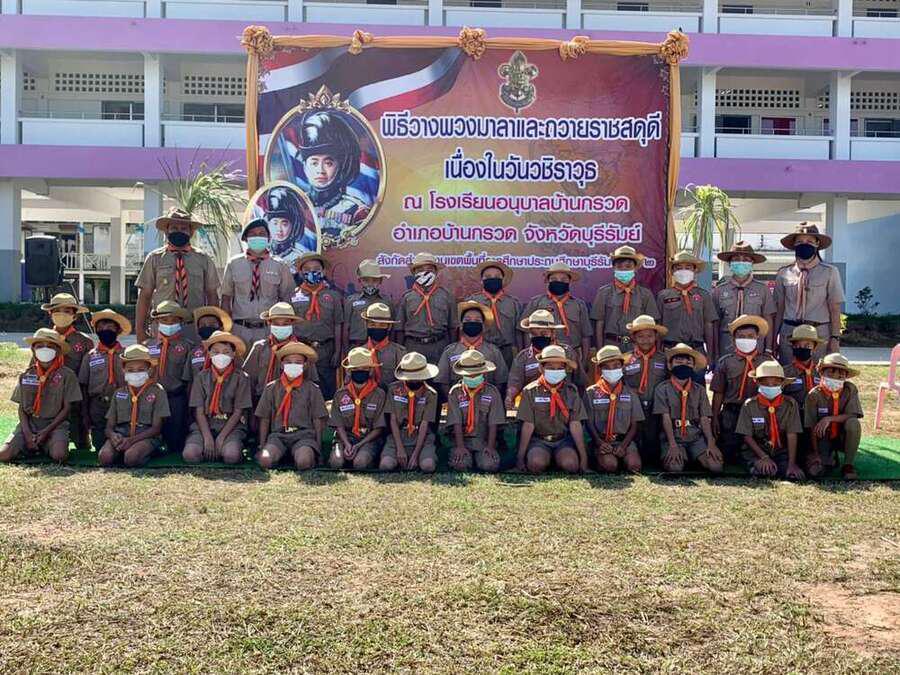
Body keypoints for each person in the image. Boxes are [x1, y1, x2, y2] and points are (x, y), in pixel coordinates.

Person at [134, 208, 219, 343]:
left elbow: (212, 295)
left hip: (193, 328)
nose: (179, 231)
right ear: (167, 231)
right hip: (163, 326)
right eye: (174, 228)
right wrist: (140, 330)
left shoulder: (203, 259)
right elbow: (145, 296)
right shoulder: (155, 258)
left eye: (183, 228)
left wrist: (213, 328)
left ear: (191, 232)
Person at [0, 328, 82, 464]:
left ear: (58, 351)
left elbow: (67, 409)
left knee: (59, 455)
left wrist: (46, 432)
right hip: (30, 424)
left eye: (50, 346)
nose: (45, 349)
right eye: (40, 346)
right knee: (3, 455)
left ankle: (44, 446)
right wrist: (27, 433)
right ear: (33, 350)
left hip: (55, 425)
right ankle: (31, 445)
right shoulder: (26, 375)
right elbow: (21, 408)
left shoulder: (67, 375)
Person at [294, 110, 370, 241]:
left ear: (340, 165)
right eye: (314, 163)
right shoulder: (296, 206)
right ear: (304, 165)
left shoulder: (357, 212)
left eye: (328, 163)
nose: (320, 170)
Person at [774, 223, 844, 364]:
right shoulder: (784, 273)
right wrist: (773, 338)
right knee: (788, 373)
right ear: (794, 245)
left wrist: (835, 338)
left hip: (818, 333)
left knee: (816, 373)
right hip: (789, 333)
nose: (804, 245)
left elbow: (835, 308)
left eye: (809, 241)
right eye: (799, 241)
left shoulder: (829, 272)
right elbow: (779, 308)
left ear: (817, 244)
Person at [515, 344, 589, 475]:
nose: (555, 371)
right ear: (541, 368)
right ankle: (545, 458)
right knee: (535, 464)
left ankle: (559, 458)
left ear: (565, 369)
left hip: (563, 440)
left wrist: (583, 458)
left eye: (559, 368)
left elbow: (575, 424)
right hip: (539, 440)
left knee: (571, 465)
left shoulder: (571, 391)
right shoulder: (530, 391)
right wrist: (520, 458)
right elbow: (528, 425)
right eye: (550, 368)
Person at [221, 218, 295, 347]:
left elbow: (286, 299)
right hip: (239, 329)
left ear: (268, 238)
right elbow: (226, 298)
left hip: (268, 330)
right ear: (245, 238)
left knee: (267, 360)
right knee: (239, 360)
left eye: (262, 234)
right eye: (253, 234)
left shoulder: (280, 265)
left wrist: (283, 331)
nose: (258, 237)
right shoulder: (234, 264)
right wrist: (226, 330)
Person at [254, 341, 327, 471]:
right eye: (288, 362)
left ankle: (301, 454)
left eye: (298, 362)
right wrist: (262, 445)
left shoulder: (312, 389)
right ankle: (281, 454)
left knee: (304, 462)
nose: (293, 365)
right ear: (282, 364)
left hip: (303, 436)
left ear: (305, 365)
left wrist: (318, 448)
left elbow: (318, 420)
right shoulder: (271, 388)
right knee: (265, 460)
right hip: (278, 436)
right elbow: (264, 418)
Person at [184, 331, 252, 465]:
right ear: (209, 354)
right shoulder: (201, 377)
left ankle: (226, 448)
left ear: (233, 354)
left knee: (231, 456)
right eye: (216, 352)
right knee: (190, 455)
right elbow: (199, 411)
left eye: (226, 352)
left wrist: (221, 438)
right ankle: (207, 449)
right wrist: (208, 438)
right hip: (205, 426)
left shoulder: (241, 378)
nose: (221, 356)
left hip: (231, 427)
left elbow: (238, 412)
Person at [653, 343, 722, 474]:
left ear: (694, 367)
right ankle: (683, 457)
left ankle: (694, 457)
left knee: (716, 467)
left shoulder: (700, 390)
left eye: (688, 362)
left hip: (695, 436)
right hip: (673, 436)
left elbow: (704, 418)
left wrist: (711, 443)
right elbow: (665, 418)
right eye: (679, 362)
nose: (684, 365)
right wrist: (672, 445)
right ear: (670, 365)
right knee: (675, 468)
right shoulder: (662, 389)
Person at [97, 344, 170, 468]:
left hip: (146, 436)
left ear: (149, 369)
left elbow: (156, 428)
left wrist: (132, 440)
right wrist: (113, 436)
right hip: (122, 435)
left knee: (131, 458)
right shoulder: (119, 393)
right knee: (104, 457)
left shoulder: (158, 391)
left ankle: (151, 452)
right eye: (130, 370)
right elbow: (109, 427)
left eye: (141, 369)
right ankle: (123, 452)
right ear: (123, 370)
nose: (136, 373)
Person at [711, 315, 770, 462]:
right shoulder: (726, 362)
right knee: (728, 454)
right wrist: (715, 417)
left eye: (750, 336)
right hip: (732, 412)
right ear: (734, 339)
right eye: (741, 336)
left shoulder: (767, 362)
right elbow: (718, 392)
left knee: (758, 449)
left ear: (757, 337)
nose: (746, 340)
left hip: (758, 412)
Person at [736, 360, 804, 479]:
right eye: (766, 384)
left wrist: (791, 464)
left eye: (775, 384)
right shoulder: (749, 405)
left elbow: (792, 434)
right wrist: (763, 457)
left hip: (780, 452)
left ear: (782, 384)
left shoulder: (790, 404)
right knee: (766, 470)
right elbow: (746, 436)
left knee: (792, 475)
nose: (771, 387)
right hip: (756, 451)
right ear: (758, 383)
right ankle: (755, 467)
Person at [42, 292, 93, 449]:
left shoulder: (84, 341)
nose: (62, 314)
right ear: (50, 313)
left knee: (82, 444)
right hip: (49, 395)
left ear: (75, 316)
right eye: (57, 310)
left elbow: (88, 375)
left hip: (75, 396)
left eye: (67, 311)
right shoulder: (42, 338)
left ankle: (81, 435)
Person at [290, 252, 344, 401]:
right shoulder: (293, 296)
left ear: (323, 271)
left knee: (327, 389)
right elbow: (289, 324)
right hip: (301, 349)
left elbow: (338, 325)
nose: (311, 272)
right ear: (300, 272)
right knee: (301, 388)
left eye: (316, 269)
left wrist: (338, 351)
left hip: (325, 350)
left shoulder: (333, 296)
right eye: (307, 269)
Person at [585, 346, 645, 474]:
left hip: (624, 440)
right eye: (606, 367)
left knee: (634, 466)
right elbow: (589, 423)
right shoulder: (590, 393)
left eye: (616, 365)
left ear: (622, 367)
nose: (612, 370)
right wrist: (599, 442)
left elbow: (635, 424)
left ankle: (620, 457)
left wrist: (623, 445)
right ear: (600, 369)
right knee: (610, 465)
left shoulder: (631, 393)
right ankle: (599, 459)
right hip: (601, 440)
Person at [506, 309, 583, 409]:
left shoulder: (568, 353)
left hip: (565, 405)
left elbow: (580, 381)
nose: (538, 337)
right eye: (534, 334)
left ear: (553, 333)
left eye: (543, 334)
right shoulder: (522, 357)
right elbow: (514, 383)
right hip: (534, 407)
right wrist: (510, 397)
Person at [804, 353, 863, 480]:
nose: (835, 377)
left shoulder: (850, 389)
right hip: (822, 437)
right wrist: (816, 453)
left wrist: (829, 419)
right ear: (821, 373)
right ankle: (828, 456)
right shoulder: (814, 395)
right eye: (830, 373)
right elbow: (811, 426)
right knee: (817, 471)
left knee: (853, 422)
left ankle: (848, 465)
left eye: (841, 374)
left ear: (846, 376)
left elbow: (853, 414)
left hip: (842, 435)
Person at [145, 301, 194, 455]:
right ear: (157, 322)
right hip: (151, 399)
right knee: (149, 435)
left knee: (175, 443)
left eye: (174, 321)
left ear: (180, 323)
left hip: (175, 398)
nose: (169, 324)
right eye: (164, 320)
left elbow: (189, 379)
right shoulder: (147, 346)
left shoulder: (187, 347)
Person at [79, 309, 130, 452]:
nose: (104, 330)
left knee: (122, 441)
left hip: (123, 403)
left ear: (118, 330)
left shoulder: (127, 355)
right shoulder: (90, 356)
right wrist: (85, 414)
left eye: (109, 327)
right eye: (100, 327)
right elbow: (84, 386)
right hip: (98, 405)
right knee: (100, 444)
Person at [445, 349, 505, 473]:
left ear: (483, 372)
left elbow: (493, 423)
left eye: (475, 374)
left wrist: (490, 446)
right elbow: (456, 422)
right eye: (468, 374)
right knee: (461, 465)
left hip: (483, 440)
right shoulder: (455, 392)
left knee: (489, 465)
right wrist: (460, 447)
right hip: (462, 440)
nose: (472, 377)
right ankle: (465, 456)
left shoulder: (492, 392)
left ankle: (481, 457)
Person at [328, 347, 387, 471]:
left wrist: (359, 445)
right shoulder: (340, 394)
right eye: (355, 369)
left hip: (368, 439)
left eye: (364, 369)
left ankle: (367, 457)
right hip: (345, 438)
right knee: (336, 462)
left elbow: (379, 428)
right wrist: (347, 444)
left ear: (370, 370)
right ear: (349, 371)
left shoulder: (379, 394)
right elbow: (338, 425)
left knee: (360, 463)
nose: (360, 372)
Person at [521, 262, 592, 364]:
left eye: (563, 280)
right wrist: (529, 358)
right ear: (548, 281)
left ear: (569, 281)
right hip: (541, 355)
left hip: (571, 355)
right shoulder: (536, 303)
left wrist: (584, 361)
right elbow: (526, 332)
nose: (559, 282)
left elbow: (586, 335)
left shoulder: (579, 305)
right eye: (554, 279)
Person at [435, 302, 509, 400]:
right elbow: (443, 381)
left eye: (477, 320)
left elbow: (500, 382)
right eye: (467, 320)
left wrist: (489, 400)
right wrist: (454, 400)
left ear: (483, 326)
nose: (472, 323)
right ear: (461, 325)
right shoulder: (449, 352)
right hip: (457, 403)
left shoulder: (494, 352)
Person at [621, 315, 669, 466]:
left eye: (649, 336)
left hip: (656, 408)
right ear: (634, 338)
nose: (645, 340)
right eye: (640, 336)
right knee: (636, 441)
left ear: (656, 336)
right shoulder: (625, 360)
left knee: (653, 447)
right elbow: (619, 384)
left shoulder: (664, 359)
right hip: (633, 409)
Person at [380, 352, 439, 473]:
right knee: (386, 465)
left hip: (421, 438)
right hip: (398, 436)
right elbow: (393, 420)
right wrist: (400, 449)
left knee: (428, 466)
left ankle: (420, 457)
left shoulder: (431, 394)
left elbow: (424, 424)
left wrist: (415, 455)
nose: (414, 380)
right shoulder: (393, 389)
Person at [712, 241, 775, 355]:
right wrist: (715, 352)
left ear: (752, 263)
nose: (741, 263)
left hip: (755, 345)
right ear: (730, 263)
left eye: (746, 260)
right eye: (736, 259)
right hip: (727, 346)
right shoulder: (719, 290)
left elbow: (768, 320)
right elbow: (715, 323)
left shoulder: (762, 289)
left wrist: (768, 348)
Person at [591, 245, 659, 350]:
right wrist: (600, 349)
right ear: (614, 268)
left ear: (635, 268)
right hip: (611, 345)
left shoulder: (645, 294)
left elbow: (653, 325)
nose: (623, 269)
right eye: (619, 266)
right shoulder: (604, 292)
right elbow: (599, 323)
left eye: (628, 266)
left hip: (637, 346)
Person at [396, 252, 458, 365]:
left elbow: (453, 328)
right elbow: (399, 329)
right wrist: (400, 354)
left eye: (430, 269)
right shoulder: (407, 298)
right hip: (413, 346)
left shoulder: (447, 296)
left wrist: (452, 351)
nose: (425, 272)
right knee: (414, 375)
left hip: (440, 346)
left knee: (439, 375)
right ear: (414, 273)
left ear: (436, 272)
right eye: (420, 269)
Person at [657, 251, 716, 363]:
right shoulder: (663, 295)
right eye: (679, 268)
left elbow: (708, 325)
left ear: (695, 270)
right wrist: (658, 353)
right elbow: (658, 325)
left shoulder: (704, 295)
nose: (683, 271)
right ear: (672, 271)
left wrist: (710, 354)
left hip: (696, 349)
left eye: (688, 268)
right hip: (670, 350)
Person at [466, 260, 522, 367]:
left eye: (497, 276)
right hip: (480, 350)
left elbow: (519, 333)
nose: (492, 279)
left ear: (503, 280)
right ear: (481, 281)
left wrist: (520, 354)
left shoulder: (513, 303)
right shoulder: (472, 301)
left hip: (507, 352)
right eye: (488, 277)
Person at [343, 259, 393, 349]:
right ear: (359, 281)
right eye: (366, 280)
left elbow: (391, 328)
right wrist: (345, 350)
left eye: (374, 280)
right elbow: (346, 327)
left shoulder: (387, 301)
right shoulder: (351, 301)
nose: (370, 284)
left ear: (380, 281)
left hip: (381, 347)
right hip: (357, 346)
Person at [265, 186, 318, 263]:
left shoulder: (299, 259)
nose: (279, 229)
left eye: (284, 224)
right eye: (275, 223)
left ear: (294, 226)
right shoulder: (261, 253)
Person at [359, 302, 406, 389]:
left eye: (382, 325)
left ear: (389, 326)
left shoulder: (399, 352)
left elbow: (404, 383)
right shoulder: (358, 353)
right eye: (372, 324)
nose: (377, 328)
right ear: (365, 325)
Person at [188, 306, 233, 378]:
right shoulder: (193, 353)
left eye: (212, 325)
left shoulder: (230, 352)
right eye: (203, 325)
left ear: (221, 328)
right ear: (198, 329)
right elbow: (188, 379)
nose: (207, 327)